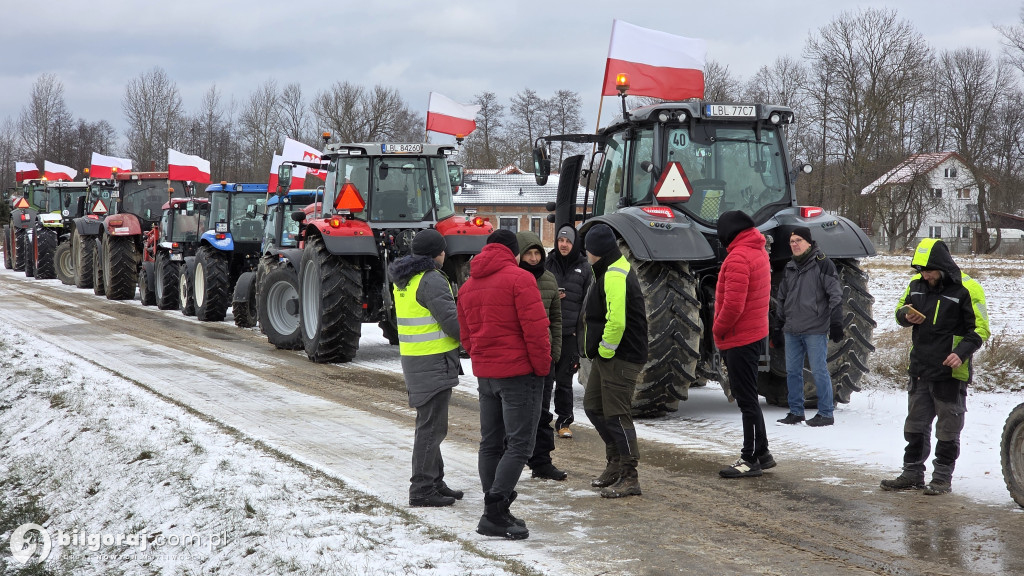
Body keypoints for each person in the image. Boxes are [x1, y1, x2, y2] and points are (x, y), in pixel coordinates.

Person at [457, 229, 551, 540]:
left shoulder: (469, 285)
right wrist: (541, 369)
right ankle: (494, 511)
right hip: (519, 375)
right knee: (520, 444)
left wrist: (483, 359)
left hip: (487, 375)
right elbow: (536, 331)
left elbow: (467, 336)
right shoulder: (521, 279)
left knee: (491, 442)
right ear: (513, 252)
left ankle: (494, 505)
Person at [880, 238, 989, 495]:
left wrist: (960, 353)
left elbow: (981, 329)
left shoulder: (968, 289)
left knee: (948, 428)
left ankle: (941, 478)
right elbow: (899, 310)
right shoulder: (916, 285)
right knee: (915, 426)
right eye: (920, 270)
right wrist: (904, 316)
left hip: (951, 372)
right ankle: (912, 473)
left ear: (942, 265)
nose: (925, 275)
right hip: (920, 368)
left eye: (929, 270)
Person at [388, 229, 464, 507]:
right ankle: (421, 488)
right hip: (433, 361)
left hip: (416, 359)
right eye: (443, 250)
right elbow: (453, 324)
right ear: (437, 254)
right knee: (432, 427)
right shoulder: (432, 280)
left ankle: (434, 481)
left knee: (431, 424)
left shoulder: (405, 279)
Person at [579, 223, 648, 498]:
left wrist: (606, 350)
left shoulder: (615, 275)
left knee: (618, 415)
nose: (586, 255)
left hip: (621, 355)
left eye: (588, 250)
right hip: (609, 356)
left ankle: (630, 476)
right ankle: (615, 462)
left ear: (597, 252)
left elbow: (616, 322)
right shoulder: (608, 269)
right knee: (594, 407)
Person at [714, 210, 773, 479]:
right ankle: (762, 452)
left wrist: (717, 329)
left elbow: (733, 305)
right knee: (750, 397)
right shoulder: (758, 251)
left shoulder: (738, 257)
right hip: (754, 333)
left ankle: (749, 458)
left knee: (746, 400)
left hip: (739, 337)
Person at [773, 226, 844, 427]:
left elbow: (835, 295)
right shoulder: (790, 267)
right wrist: (778, 326)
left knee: (819, 370)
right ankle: (796, 412)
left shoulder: (823, 265)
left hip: (815, 329)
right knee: (792, 371)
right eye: (792, 241)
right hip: (792, 329)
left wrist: (836, 321)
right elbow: (782, 298)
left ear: (809, 242)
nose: (794, 244)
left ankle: (826, 413)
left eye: (798, 240)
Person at [516, 230, 568, 481]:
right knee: (518, 415)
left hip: (545, 357)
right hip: (519, 359)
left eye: (537, 253)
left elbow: (556, 319)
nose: (534, 258)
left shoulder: (548, 279)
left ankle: (542, 462)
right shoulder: (512, 279)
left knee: (543, 413)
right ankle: (512, 462)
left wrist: (555, 350)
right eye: (529, 253)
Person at [546, 225, 593, 439]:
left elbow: (588, 302)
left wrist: (580, 333)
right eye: (561, 240)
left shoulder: (584, 268)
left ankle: (564, 422)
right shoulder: (548, 264)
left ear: (574, 244)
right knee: (545, 380)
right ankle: (542, 421)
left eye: (568, 241)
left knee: (565, 381)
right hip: (548, 332)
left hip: (570, 335)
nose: (564, 245)